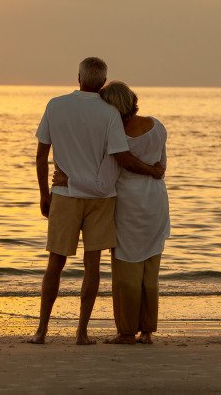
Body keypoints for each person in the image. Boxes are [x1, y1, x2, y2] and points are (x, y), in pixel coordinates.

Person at [28, 58, 165, 345]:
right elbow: (118, 156)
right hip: (102, 199)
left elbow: (41, 155)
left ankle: (41, 331)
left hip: (65, 196)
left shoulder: (55, 105)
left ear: (78, 77)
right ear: (102, 82)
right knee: (93, 265)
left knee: (55, 263)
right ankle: (82, 332)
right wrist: (153, 170)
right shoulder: (110, 114)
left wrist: (44, 193)